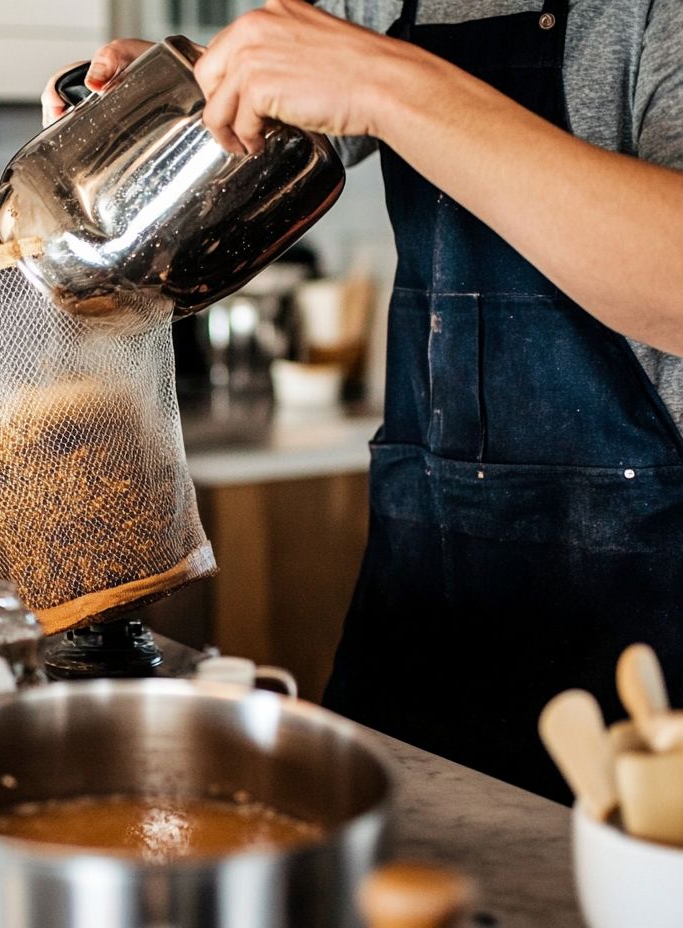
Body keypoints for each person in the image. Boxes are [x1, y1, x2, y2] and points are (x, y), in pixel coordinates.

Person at [43, 0, 683, 800]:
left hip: (649, 635)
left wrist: (388, 83)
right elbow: (263, 144)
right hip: (425, 594)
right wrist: (180, 104)